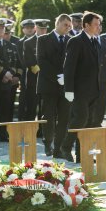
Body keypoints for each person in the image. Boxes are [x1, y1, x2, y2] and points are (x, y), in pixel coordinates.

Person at [61, 12, 102, 162]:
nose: (99, 27)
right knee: (80, 119)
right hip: (79, 90)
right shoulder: (76, 41)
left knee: (88, 123)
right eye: (96, 25)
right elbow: (69, 67)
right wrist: (69, 90)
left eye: (99, 24)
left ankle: (82, 154)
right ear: (86, 25)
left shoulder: (95, 41)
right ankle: (66, 146)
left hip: (92, 90)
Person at [37, 14, 72, 158]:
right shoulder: (43, 39)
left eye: (69, 26)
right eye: (65, 25)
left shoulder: (70, 40)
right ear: (57, 23)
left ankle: (58, 148)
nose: (68, 28)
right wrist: (57, 77)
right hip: (49, 84)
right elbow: (42, 60)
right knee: (49, 117)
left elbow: (72, 61)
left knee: (64, 117)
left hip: (65, 85)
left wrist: (66, 77)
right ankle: (48, 144)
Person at [23, 19, 50, 121]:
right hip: (34, 79)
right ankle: (30, 131)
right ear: (36, 28)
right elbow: (29, 61)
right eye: (40, 28)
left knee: (45, 107)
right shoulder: (28, 42)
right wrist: (44, 71)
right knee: (32, 106)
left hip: (47, 80)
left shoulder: (49, 40)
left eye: (45, 29)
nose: (43, 31)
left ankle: (42, 132)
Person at [16, 19, 36, 121]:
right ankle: (21, 124)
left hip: (37, 76)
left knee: (34, 102)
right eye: (27, 28)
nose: (29, 30)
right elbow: (22, 60)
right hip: (25, 75)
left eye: (31, 27)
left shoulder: (39, 40)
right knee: (24, 101)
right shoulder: (20, 42)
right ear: (23, 29)